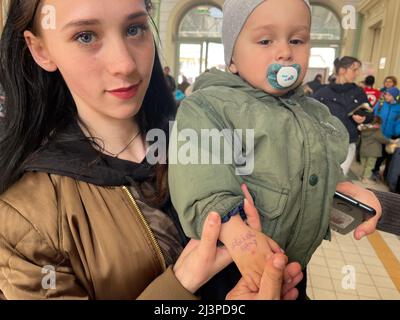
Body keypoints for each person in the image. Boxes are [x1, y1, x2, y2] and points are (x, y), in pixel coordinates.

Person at [0, 0, 304, 300]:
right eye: (86, 36)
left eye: (134, 29)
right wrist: (180, 284)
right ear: (40, 49)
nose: (126, 65)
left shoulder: (210, 135)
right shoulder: (26, 219)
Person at [168, 0, 382, 299]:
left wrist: (345, 187)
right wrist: (235, 233)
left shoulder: (315, 112)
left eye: (297, 40)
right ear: (232, 58)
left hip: (292, 269)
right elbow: (200, 178)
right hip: (227, 269)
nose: (285, 51)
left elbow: (319, 167)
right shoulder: (208, 106)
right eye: (265, 40)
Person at [313, 56, 371, 176]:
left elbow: (369, 114)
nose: (357, 74)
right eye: (354, 70)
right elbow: (309, 113)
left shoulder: (358, 92)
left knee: (339, 178)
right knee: (321, 175)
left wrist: (364, 118)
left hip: (348, 143)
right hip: (324, 143)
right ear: (342, 70)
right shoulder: (323, 92)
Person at [371, 87, 400, 181]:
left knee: (385, 156)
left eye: (389, 95)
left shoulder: (398, 108)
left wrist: (397, 133)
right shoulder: (381, 104)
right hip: (377, 133)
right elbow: (374, 115)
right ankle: (372, 171)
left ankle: (380, 173)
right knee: (375, 153)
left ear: (394, 97)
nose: (386, 96)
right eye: (386, 94)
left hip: (390, 136)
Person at [357, 116, 396, 184]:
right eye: (380, 124)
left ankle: (362, 176)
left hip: (363, 150)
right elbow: (383, 139)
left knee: (365, 165)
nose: (380, 126)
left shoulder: (364, 130)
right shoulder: (376, 131)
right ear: (377, 124)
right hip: (373, 152)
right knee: (370, 166)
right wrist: (391, 141)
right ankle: (365, 179)